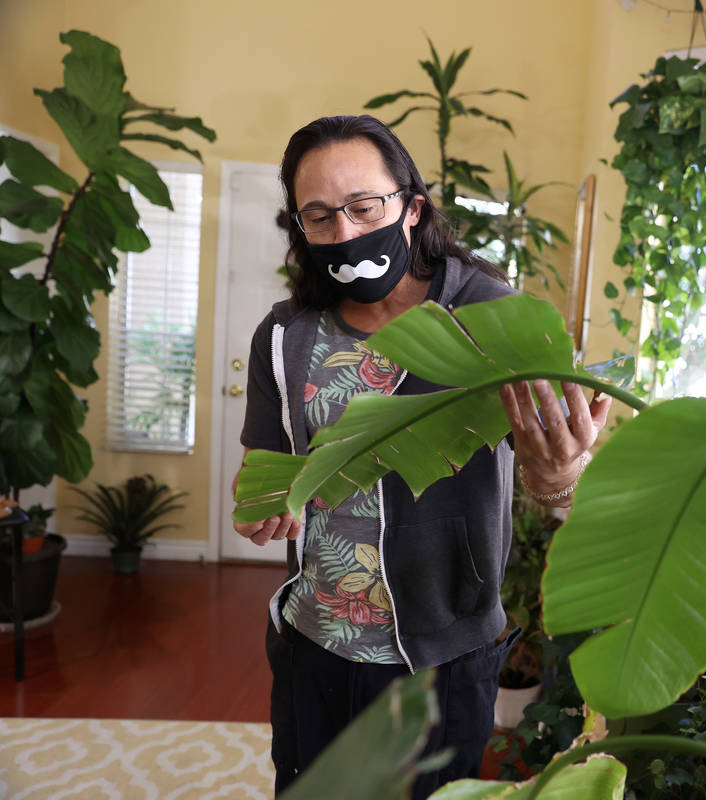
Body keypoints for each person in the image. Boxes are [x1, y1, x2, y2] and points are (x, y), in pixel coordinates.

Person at [232, 114, 610, 798]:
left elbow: (565, 490)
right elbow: (266, 464)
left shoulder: (491, 320)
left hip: (442, 656)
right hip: (312, 643)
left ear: (411, 206)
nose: (343, 233)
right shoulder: (285, 337)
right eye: (318, 216)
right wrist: (264, 509)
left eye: (362, 206)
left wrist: (561, 479)